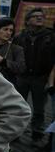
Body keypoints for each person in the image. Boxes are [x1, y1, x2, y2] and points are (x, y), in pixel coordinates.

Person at [13, 7, 55, 143]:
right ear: (27, 20)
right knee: (18, 106)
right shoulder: (20, 37)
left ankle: (36, 135)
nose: (39, 17)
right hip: (22, 77)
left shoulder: (51, 36)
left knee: (39, 109)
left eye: (41, 16)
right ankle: (15, 133)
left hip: (41, 77)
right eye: (35, 16)